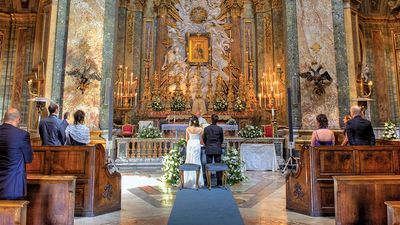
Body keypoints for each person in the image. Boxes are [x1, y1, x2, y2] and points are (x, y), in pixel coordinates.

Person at [0, 108, 33, 200]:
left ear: (4, 118)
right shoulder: (22, 135)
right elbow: (28, 158)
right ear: (18, 119)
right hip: (12, 187)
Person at [183, 116, 204, 188]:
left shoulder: (188, 129)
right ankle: (198, 181)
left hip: (190, 144)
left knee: (189, 160)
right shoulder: (201, 129)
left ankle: (188, 180)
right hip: (197, 144)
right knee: (197, 160)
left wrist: (190, 142)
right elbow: (201, 141)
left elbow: (186, 139)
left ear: (191, 122)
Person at [203, 114, 224, 186]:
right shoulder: (220, 129)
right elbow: (221, 139)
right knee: (218, 165)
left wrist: (208, 144)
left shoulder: (206, 129)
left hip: (209, 148)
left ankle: (208, 182)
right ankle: (219, 182)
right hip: (217, 148)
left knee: (208, 165)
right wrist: (217, 144)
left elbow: (204, 139)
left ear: (211, 120)